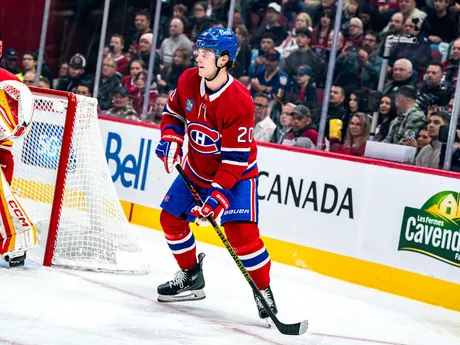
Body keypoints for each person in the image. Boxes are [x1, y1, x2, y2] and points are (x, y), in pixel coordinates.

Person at [155, 28, 277, 319]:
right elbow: (173, 113)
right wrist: (171, 138)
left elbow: (235, 159)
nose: (199, 57)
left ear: (223, 60)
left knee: (242, 235)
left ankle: (263, 291)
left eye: (206, 54)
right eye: (199, 51)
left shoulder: (239, 101)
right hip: (197, 168)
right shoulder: (188, 79)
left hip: (237, 175)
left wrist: (217, 196)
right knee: (170, 219)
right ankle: (191, 276)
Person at [0, 45, 37, 267]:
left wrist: (17, 128)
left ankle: (17, 243)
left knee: (3, 197)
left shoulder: (9, 80)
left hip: (2, 150)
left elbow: (21, 112)